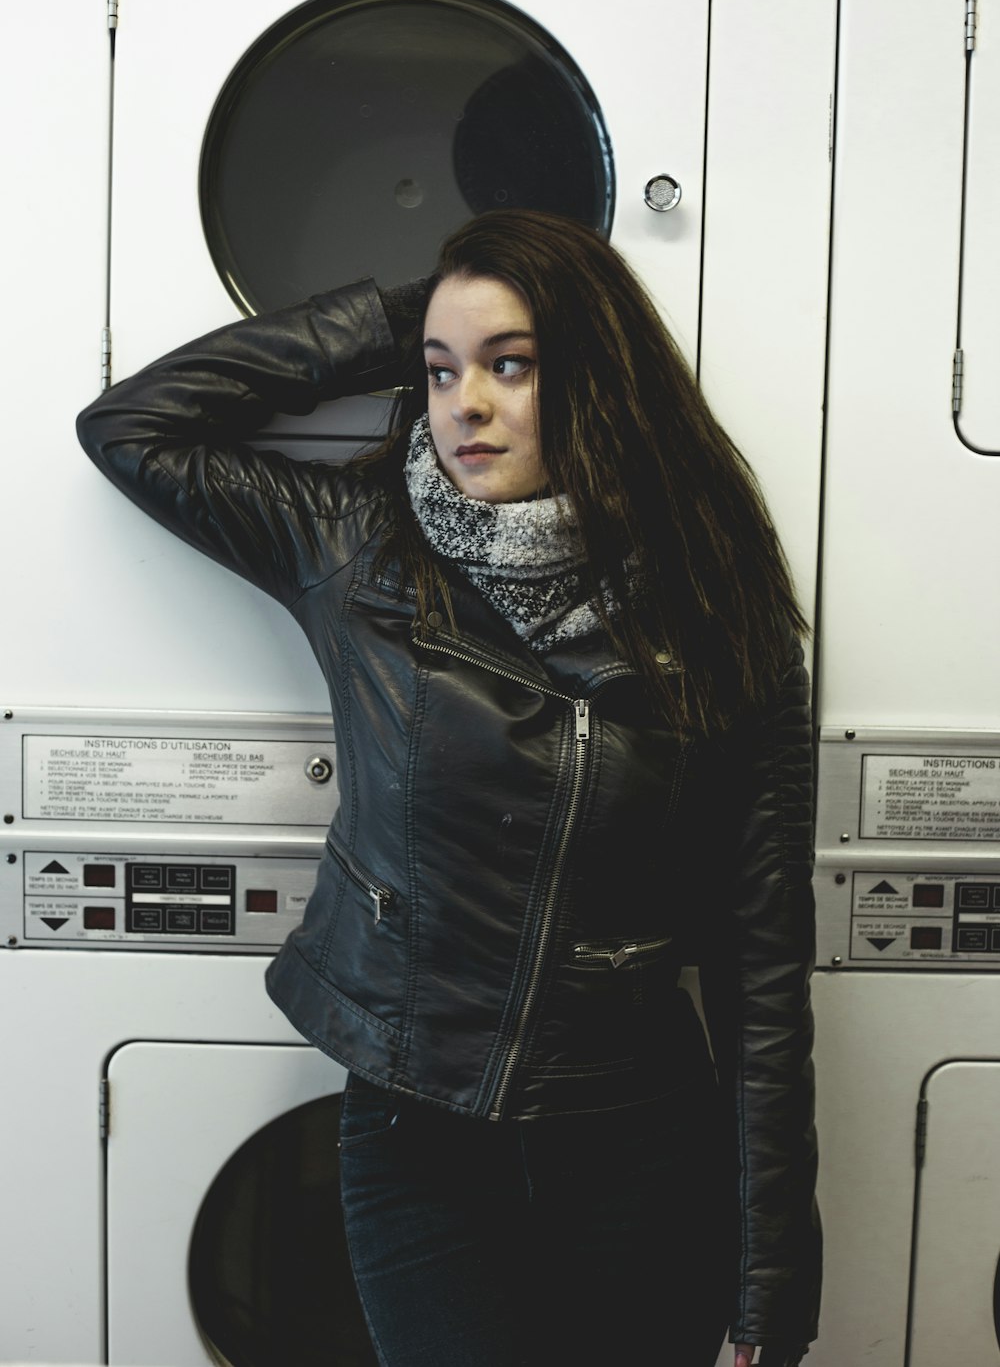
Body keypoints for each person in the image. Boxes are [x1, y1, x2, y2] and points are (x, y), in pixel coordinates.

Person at [77, 208, 821, 1367]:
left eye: (510, 365)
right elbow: (133, 426)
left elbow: (762, 969)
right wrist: (406, 312)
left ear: (596, 372)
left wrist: (771, 1284)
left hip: (638, 1145)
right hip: (418, 1143)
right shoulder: (358, 551)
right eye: (438, 373)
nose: (464, 405)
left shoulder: (722, 608)